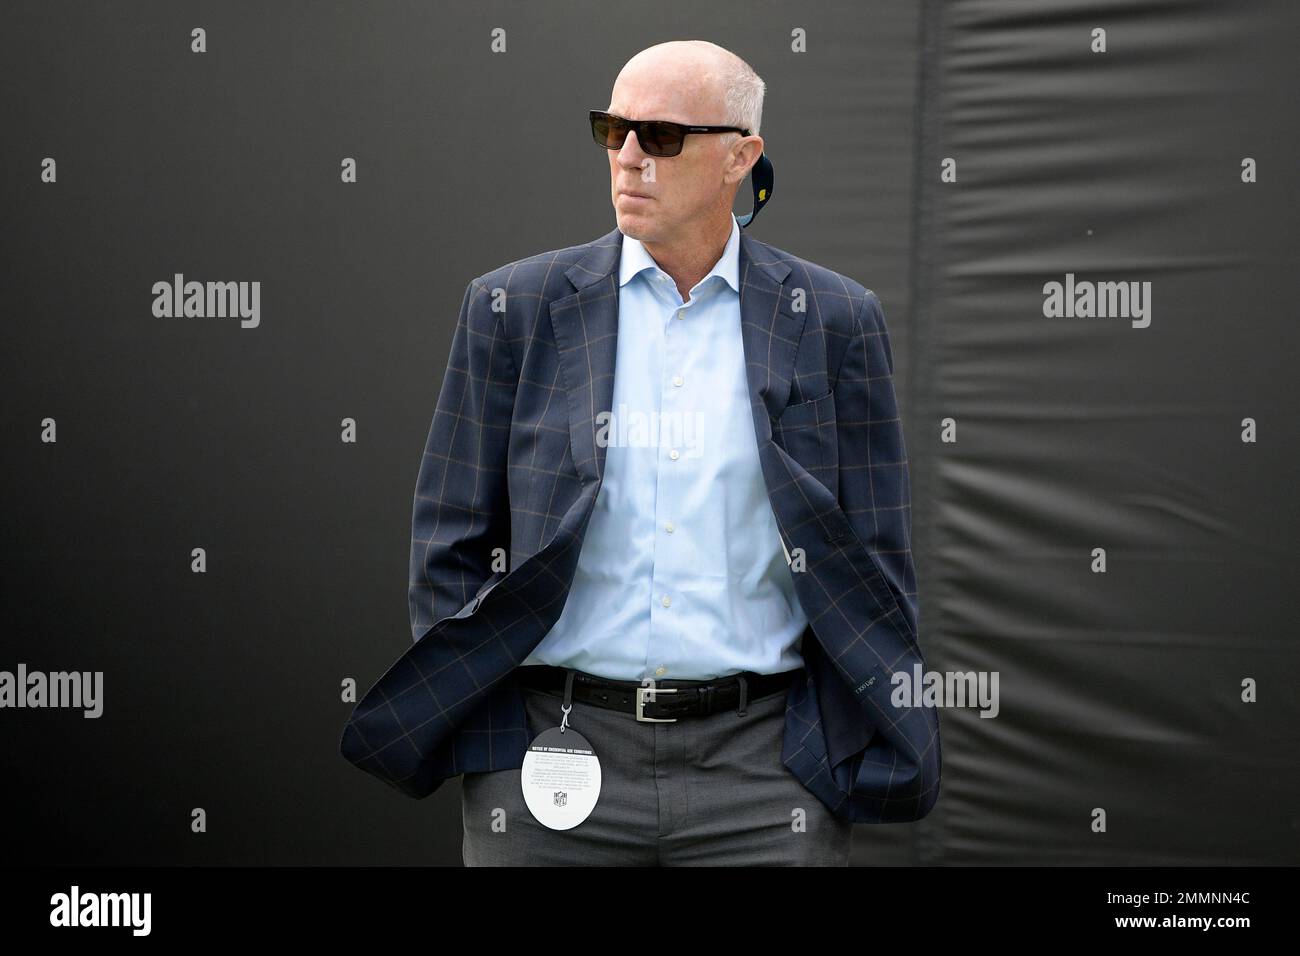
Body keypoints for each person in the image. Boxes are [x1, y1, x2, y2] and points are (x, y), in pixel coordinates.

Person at [340, 39, 940, 866]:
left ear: (741, 156)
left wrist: (825, 749)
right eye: (612, 131)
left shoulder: (834, 319)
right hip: (550, 762)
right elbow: (448, 541)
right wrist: (497, 743)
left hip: (767, 776)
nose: (628, 157)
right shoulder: (512, 307)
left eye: (659, 136)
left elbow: (876, 559)